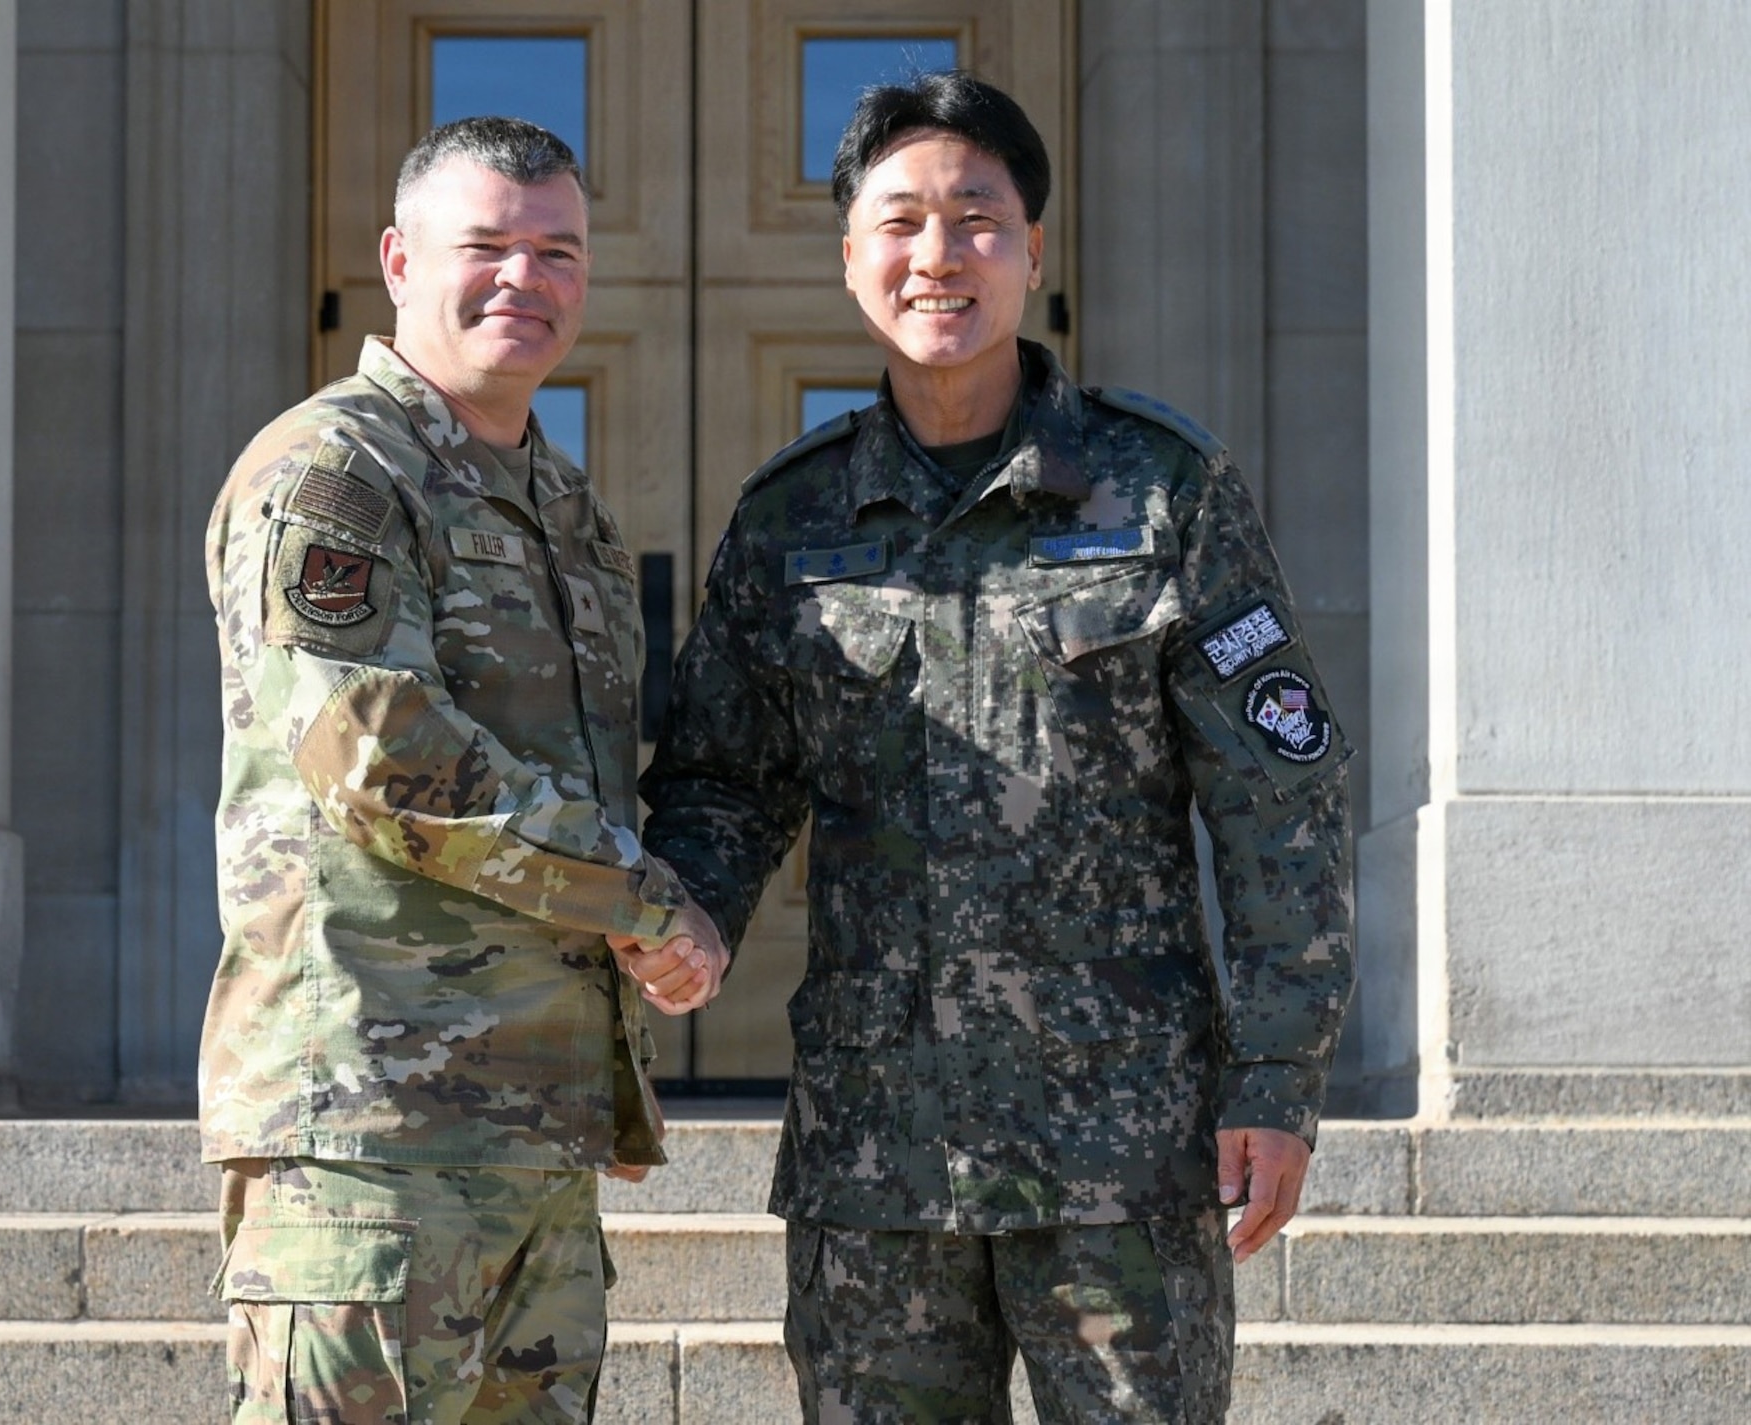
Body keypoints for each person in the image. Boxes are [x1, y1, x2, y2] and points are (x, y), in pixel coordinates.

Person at [632, 72, 1354, 1423]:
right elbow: (723, 778)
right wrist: (694, 916)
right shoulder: (791, 523)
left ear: (1033, 250)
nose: (939, 255)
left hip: (1123, 1159)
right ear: (850, 258)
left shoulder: (1159, 490)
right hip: (877, 1165)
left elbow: (1280, 799)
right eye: (901, 221)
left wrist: (1277, 1076)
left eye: (977, 218)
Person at [199, 115, 724, 1424]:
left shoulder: (570, 511)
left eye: (559, 252)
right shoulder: (334, 471)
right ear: (396, 257)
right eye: (486, 245)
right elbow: (378, 753)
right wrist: (643, 899)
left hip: (536, 1150)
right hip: (372, 1146)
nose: (525, 280)